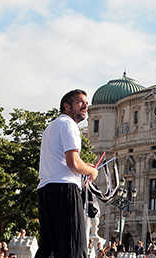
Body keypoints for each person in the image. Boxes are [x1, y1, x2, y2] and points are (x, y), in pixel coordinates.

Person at [35, 89, 99, 258]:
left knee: (48, 247)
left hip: (45, 190)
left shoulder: (52, 127)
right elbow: (73, 163)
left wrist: (83, 165)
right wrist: (91, 170)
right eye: (80, 102)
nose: (86, 105)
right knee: (74, 247)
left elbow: (64, 161)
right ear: (67, 106)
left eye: (86, 102)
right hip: (65, 191)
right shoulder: (69, 124)